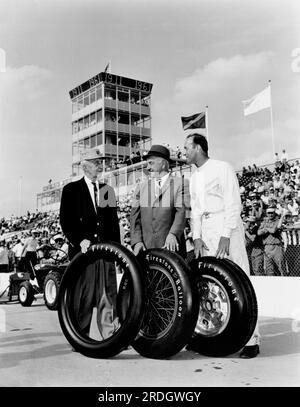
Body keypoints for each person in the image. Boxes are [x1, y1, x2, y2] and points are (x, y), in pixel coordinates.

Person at [184, 133, 260, 358]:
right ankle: (212, 336)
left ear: (198, 148)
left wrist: (226, 235)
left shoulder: (222, 167)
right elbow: (195, 211)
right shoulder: (194, 177)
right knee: (208, 283)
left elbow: (233, 203)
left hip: (227, 227)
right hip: (205, 230)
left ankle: (251, 340)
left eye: (187, 147)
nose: (184, 152)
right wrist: (196, 237)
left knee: (240, 280)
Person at [60, 148, 120, 339]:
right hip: (83, 253)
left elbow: (113, 223)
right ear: (85, 166)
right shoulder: (71, 190)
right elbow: (66, 221)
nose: (100, 166)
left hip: (105, 252)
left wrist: (117, 251)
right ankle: (80, 336)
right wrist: (79, 240)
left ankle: (109, 335)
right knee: (83, 296)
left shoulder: (106, 190)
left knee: (107, 295)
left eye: (100, 162)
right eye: (96, 163)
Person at [130, 144, 189, 258]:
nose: (147, 168)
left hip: (172, 249)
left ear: (163, 164)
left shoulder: (180, 183)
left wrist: (173, 234)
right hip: (146, 250)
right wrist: (137, 242)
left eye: (150, 163)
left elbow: (181, 212)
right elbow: (134, 217)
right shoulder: (141, 187)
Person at [258, 205, 287, 276]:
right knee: (269, 269)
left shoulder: (277, 221)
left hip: (277, 247)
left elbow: (273, 230)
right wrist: (268, 229)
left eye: (272, 213)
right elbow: (259, 233)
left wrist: (266, 229)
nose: (270, 214)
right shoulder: (264, 222)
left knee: (281, 267)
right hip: (267, 247)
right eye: (269, 213)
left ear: (274, 213)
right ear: (266, 214)